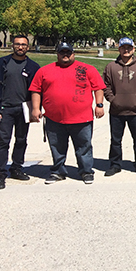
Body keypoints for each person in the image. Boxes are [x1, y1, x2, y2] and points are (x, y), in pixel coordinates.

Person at [29, 42, 105, 185]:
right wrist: (35, 108)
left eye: (68, 52)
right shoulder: (44, 71)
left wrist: (99, 105)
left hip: (82, 118)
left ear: (73, 54)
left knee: (84, 147)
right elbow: (36, 90)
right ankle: (58, 172)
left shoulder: (86, 69)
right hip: (54, 118)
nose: (65, 55)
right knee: (57, 147)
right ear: (57, 54)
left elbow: (98, 87)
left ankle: (86, 171)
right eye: (62, 52)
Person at [0, 34, 40, 190]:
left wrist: (36, 109)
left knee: (21, 140)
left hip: (24, 109)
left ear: (28, 47)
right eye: (17, 44)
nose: (20, 47)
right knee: (3, 141)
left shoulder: (33, 66)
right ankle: (0, 174)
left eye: (23, 44)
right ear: (12, 45)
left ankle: (16, 168)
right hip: (5, 109)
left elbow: (37, 90)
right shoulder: (2, 63)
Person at [103, 37, 136, 176]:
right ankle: (115, 164)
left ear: (133, 49)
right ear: (119, 49)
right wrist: (113, 100)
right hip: (117, 111)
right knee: (115, 140)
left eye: (129, 48)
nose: (126, 50)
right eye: (123, 47)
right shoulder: (111, 67)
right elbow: (106, 86)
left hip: (135, 110)